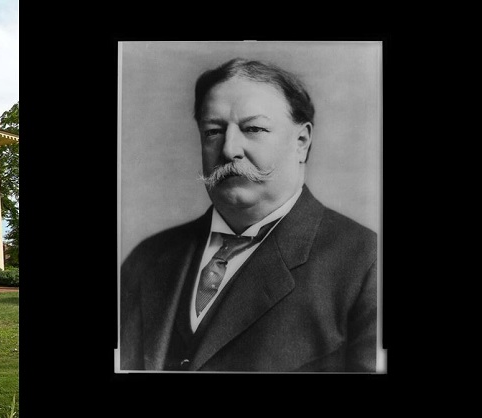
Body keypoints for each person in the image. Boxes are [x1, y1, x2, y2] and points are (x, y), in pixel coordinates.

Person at [119, 58, 377, 372]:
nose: (229, 149)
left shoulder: (366, 263)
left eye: (253, 128)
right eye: (213, 131)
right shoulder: (146, 260)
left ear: (301, 142)